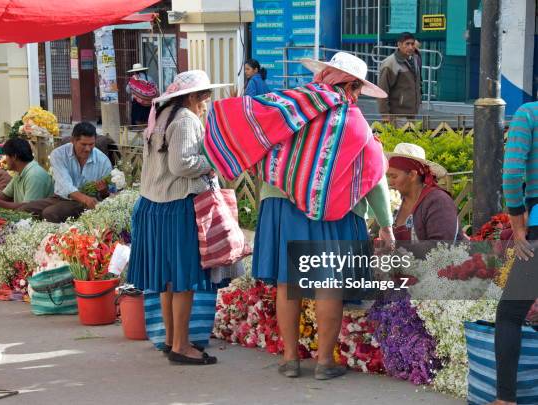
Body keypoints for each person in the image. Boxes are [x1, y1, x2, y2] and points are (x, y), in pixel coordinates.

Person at [209, 52, 394, 379]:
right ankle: (324, 362)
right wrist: (386, 225)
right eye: (358, 89)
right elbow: (373, 175)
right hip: (330, 212)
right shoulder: (352, 121)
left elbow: (257, 133)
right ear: (350, 85)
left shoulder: (291, 104)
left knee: (287, 281)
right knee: (328, 284)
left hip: (280, 206)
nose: (358, 96)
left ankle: (290, 359)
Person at [128, 70, 231, 365]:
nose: (207, 102)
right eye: (204, 96)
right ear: (191, 97)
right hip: (177, 206)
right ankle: (181, 345)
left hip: (155, 205)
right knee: (183, 279)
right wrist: (211, 162)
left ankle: (172, 340)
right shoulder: (185, 119)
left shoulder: (162, 117)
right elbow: (182, 164)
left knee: (169, 281)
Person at [490, 101, 538, 405]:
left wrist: (518, 224)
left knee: (510, 314)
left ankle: (505, 400)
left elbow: (511, 174)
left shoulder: (529, 114)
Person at [22, 122, 112, 223]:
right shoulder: (58, 154)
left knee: (50, 213)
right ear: (73, 140)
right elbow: (65, 184)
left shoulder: (103, 161)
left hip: (88, 203)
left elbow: (108, 194)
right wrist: (84, 198)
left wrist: (104, 191)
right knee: (26, 209)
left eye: (91, 144)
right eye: (84, 144)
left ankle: (56, 237)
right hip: (62, 197)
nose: (88, 149)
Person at [386, 143, 461, 241]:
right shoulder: (395, 202)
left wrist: (396, 251)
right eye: (388, 176)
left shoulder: (438, 201)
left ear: (412, 175)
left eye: (394, 176)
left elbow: (440, 247)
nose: (390, 182)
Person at [0, 138, 54, 210]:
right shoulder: (19, 172)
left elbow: (28, 208)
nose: (5, 159)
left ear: (14, 157)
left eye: (6, 156)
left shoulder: (35, 175)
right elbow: (5, 195)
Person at [377, 32, 422, 121]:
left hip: (411, 113)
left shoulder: (414, 59)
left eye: (412, 44)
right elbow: (382, 90)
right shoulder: (390, 63)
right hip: (397, 115)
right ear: (399, 45)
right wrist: (385, 114)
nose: (410, 47)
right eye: (407, 44)